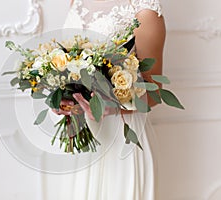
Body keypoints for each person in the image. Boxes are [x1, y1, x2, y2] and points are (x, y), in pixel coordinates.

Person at [41, 0, 166, 199]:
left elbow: (155, 92)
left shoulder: (146, 12)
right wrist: (63, 98)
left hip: (120, 141)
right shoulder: (76, 1)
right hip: (78, 137)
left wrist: (113, 107)